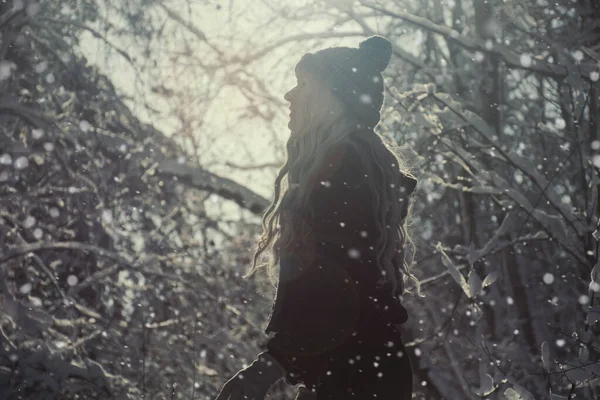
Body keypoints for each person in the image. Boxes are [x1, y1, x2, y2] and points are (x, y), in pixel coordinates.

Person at [215, 35, 420, 400]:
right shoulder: (353, 165)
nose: (289, 96)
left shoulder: (344, 168)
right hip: (364, 370)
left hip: (356, 376)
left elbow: (338, 284)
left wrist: (272, 366)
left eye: (304, 84)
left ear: (334, 99)